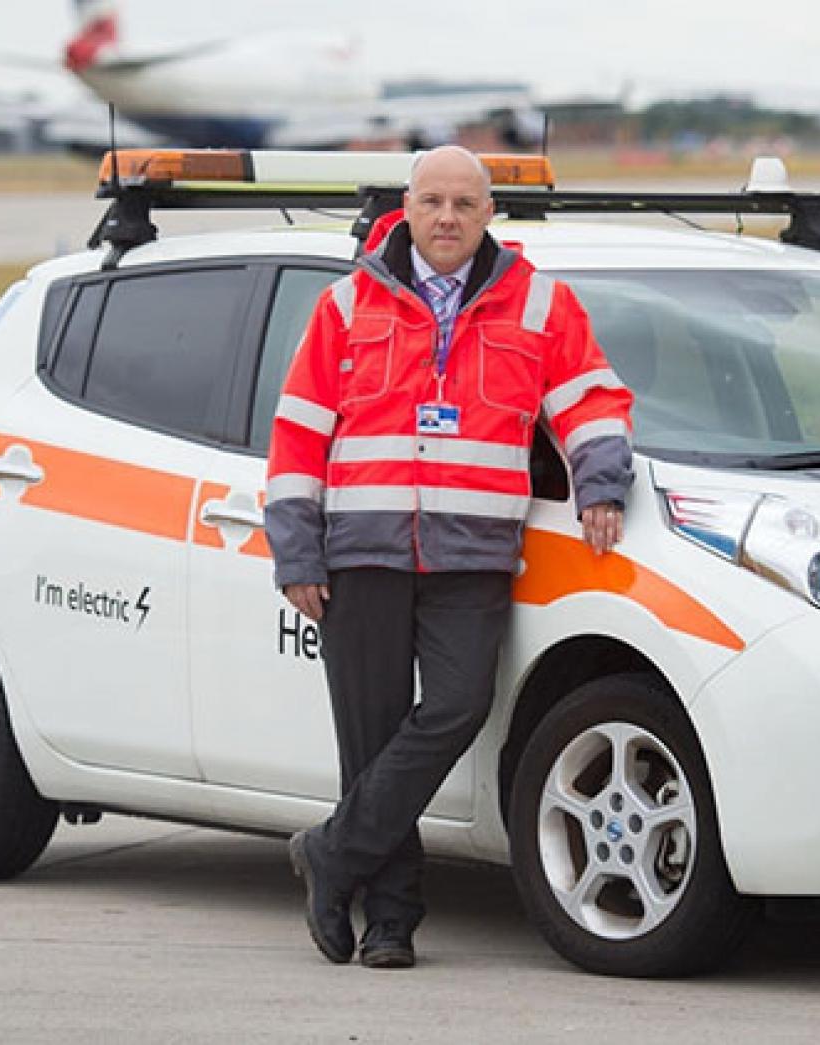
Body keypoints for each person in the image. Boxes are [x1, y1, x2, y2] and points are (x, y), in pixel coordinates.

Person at [264, 145, 634, 968]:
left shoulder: (538, 304)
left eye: (464, 203)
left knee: (460, 703)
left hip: (472, 552)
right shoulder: (346, 304)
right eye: (432, 200)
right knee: (371, 736)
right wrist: (296, 548)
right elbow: (297, 432)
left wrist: (599, 482)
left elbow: (591, 398)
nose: (447, 218)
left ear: (488, 212)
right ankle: (390, 921)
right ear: (408, 204)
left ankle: (332, 852)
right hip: (360, 552)